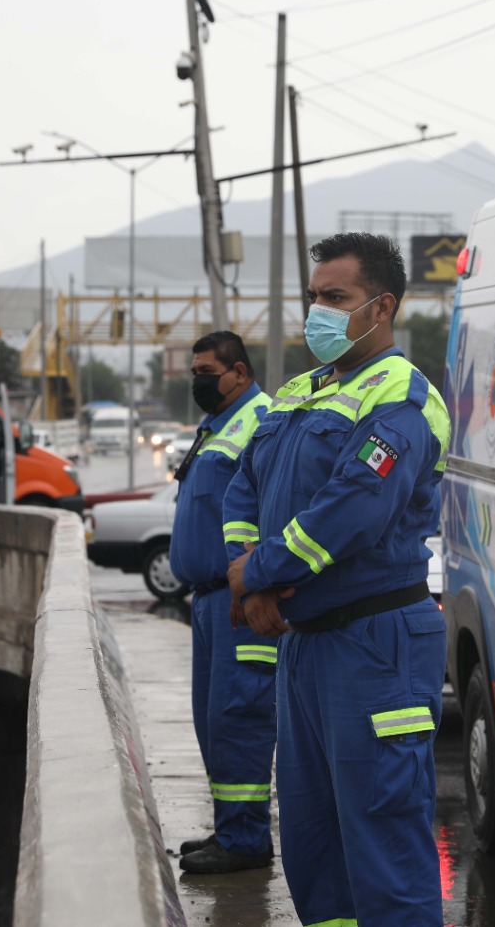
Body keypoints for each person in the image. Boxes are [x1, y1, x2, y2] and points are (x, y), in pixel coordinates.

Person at [222, 233, 450, 926]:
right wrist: (249, 582)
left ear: (381, 308)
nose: (317, 311)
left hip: (375, 644)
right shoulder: (299, 392)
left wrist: (257, 574)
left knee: (385, 848)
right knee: (313, 848)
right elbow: (242, 491)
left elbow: (352, 510)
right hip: (305, 644)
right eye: (314, 297)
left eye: (335, 298)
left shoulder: (400, 399)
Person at [169, 331, 278, 874]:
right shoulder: (217, 425)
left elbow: (271, 507)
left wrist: (254, 582)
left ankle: (245, 841)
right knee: (212, 722)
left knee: (241, 718)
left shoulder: (262, 420)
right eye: (195, 371)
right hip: (209, 602)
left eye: (206, 371)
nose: (198, 381)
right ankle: (231, 827)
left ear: (238, 372)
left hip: (238, 600)